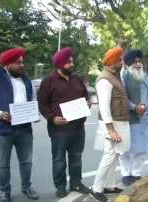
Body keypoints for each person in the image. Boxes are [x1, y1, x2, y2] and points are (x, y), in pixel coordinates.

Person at [37, 47, 91, 198]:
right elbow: (42, 103)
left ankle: (76, 183)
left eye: (72, 61)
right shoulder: (49, 81)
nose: (72, 64)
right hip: (59, 130)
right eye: (69, 62)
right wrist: (52, 118)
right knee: (59, 159)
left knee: (76, 157)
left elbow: (86, 97)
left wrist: (88, 103)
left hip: (78, 128)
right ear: (60, 64)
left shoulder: (77, 78)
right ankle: (60, 187)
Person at [0, 48, 39, 202]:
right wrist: (0, 114)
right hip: (2, 129)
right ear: (7, 64)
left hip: (24, 128)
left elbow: (32, 100)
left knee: (26, 161)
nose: (22, 65)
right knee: (2, 163)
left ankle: (27, 187)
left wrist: (34, 113)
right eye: (18, 63)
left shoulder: (26, 80)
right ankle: (5, 192)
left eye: (22, 62)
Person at [90, 47, 131, 202]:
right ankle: (96, 188)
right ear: (113, 62)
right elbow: (104, 107)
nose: (122, 62)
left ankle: (109, 185)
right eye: (120, 60)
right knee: (109, 155)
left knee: (116, 155)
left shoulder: (115, 75)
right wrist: (111, 130)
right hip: (112, 124)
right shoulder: (104, 80)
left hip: (119, 122)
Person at [119, 50, 148, 186]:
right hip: (131, 118)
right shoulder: (124, 76)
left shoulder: (145, 75)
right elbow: (122, 98)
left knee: (143, 147)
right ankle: (126, 174)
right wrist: (135, 107)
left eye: (140, 61)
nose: (138, 64)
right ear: (129, 64)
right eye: (135, 62)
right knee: (127, 148)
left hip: (144, 119)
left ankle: (136, 173)